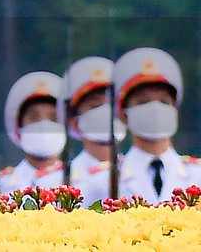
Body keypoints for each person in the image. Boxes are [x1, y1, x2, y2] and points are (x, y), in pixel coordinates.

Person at [113, 47, 200, 201]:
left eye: (164, 101)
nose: (155, 109)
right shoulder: (107, 178)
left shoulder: (197, 174)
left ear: (175, 110)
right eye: (143, 101)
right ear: (123, 113)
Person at [0, 71, 67, 194]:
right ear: (18, 127)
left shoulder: (83, 181)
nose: (44, 126)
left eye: (54, 118)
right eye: (34, 118)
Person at [63, 55, 120, 196]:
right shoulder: (60, 180)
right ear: (75, 122)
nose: (106, 111)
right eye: (95, 105)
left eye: (111, 104)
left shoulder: (139, 170)